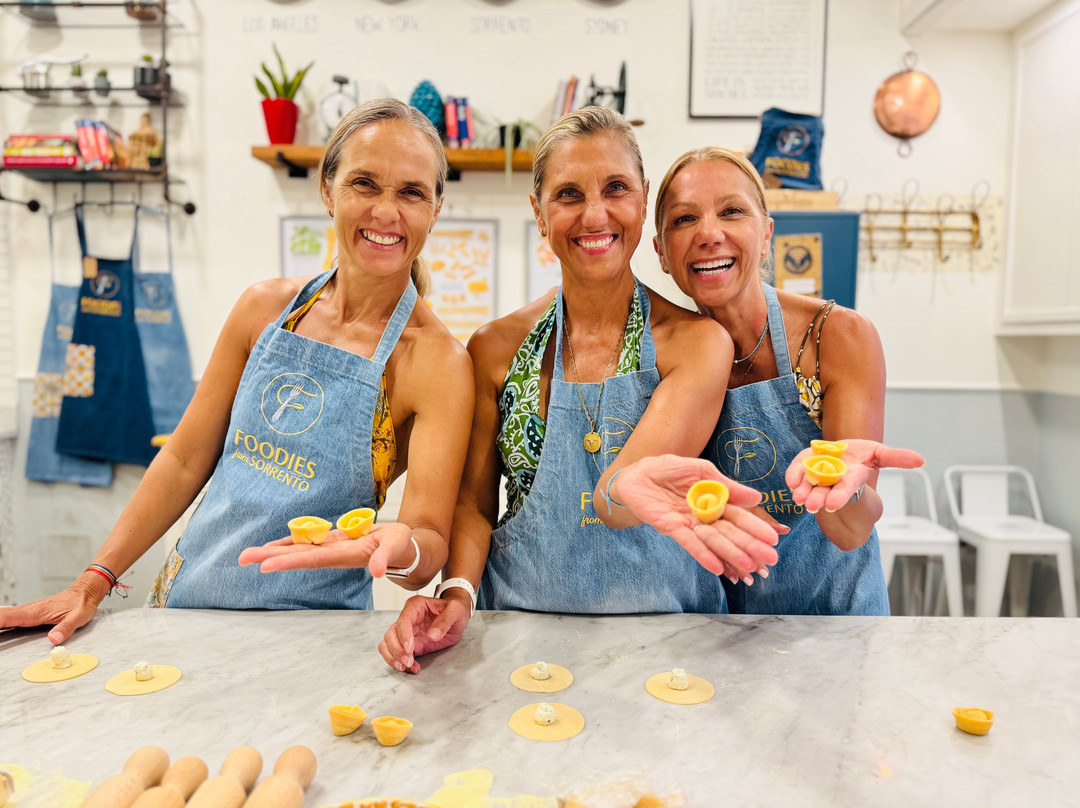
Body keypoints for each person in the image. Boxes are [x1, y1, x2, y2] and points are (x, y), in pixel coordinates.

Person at [0, 99, 473, 645]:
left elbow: (429, 536)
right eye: (365, 183)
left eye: (412, 192)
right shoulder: (262, 311)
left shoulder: (437, 362)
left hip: (313, 635)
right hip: (182, 607)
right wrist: (94, 579)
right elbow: (182, 459)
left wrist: (396, 549)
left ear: (435, 209)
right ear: (328, 189)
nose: (386, 212)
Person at [375, 107, 781, 673]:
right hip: (516, 635)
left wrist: (627, 489)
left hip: (669, 641)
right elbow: (473, 503)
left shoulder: (694, 344)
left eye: (616, 188)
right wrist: (458, 593)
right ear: (540, 214)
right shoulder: (495, 349)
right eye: (568, 195)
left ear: (642, 202)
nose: (596, 215)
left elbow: (620, 494)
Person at [644, 145, 923, 615]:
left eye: (732, 211)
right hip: (714, 629)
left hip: (835, 623)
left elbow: (851, 531)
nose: (709, 234)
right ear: (662, 254)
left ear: (767, 232)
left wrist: (845, 488)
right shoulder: (657, 355)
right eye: (683, 220)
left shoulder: (836, 337)